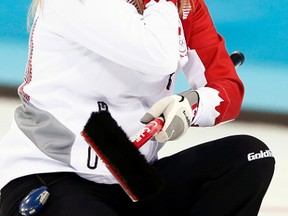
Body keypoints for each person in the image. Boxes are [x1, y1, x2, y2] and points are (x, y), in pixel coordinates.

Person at [0, 0, 274, 215]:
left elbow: (226, 86)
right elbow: (158, 55)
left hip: (132, 180)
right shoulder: (76, 2)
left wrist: (189, 106)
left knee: (249, 157)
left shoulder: (184, 7)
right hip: (51, 176)